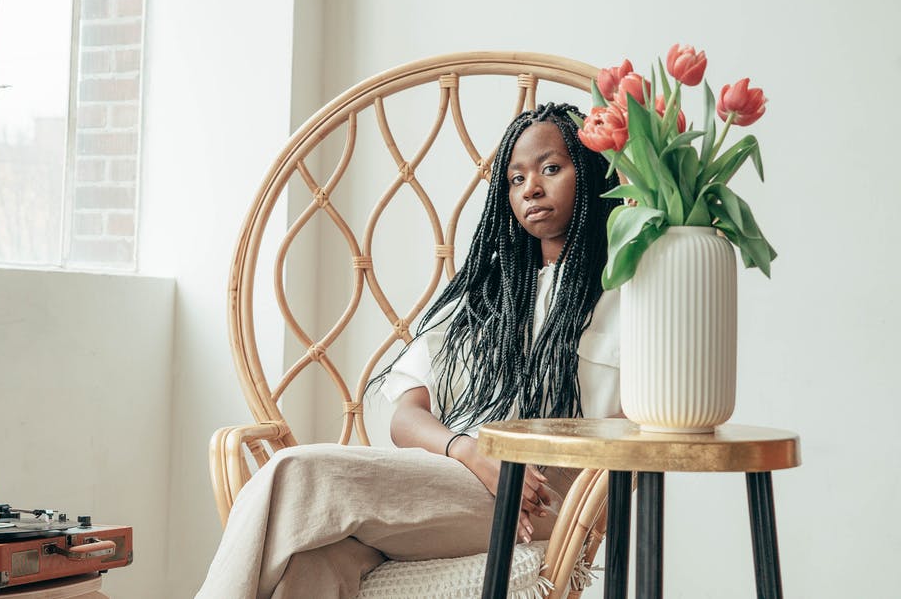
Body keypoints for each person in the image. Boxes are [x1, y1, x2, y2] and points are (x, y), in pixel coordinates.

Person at [196, 103, 623, 599]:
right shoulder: (485, 293)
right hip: (458, 473)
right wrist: (469, 452)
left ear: (588, 171)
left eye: (550, 168)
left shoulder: (624, 291)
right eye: (515, 177)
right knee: (313, 565)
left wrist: (583, 510)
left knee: (298, 474)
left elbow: (637, 444)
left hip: (549, 496)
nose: (530, 188)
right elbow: (406, 417)